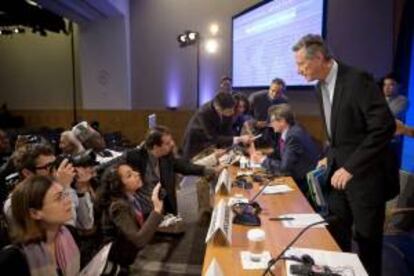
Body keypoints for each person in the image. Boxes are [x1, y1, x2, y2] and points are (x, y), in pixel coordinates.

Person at [292, 34, 398, 276]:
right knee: (336, 233)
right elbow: (340, 133)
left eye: (301, 64)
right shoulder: (319, 87)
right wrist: (329, 155)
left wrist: (351, 167)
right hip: (337, 173)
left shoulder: (357, 80)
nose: (298, 71)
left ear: (319, 57)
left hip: (365, 176)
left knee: (367, 243)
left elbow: (384, 127)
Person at [0, 175, 80, 275]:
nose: (68, 201)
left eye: (64, 194)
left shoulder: (70, 233)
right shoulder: (12, 259)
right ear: (34, 213)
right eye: (58, 197)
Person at [127, 126, 212, 215]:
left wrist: (208, 170)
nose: (172, 144)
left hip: (166, 210)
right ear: (156, 147)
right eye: (167, 143)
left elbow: (183, 167)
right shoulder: (134, 157)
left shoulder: (166, 155)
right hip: (145, 212)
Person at [96, 163, 163, 272]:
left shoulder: (131, 196)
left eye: (133, 171)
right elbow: (139, 240)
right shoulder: (118, 206)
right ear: (119, 184)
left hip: (129, 254)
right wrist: (156, 210)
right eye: (129, 175)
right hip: (119, 261)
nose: (137, 174)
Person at [250, 104, 319, 193]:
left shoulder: (293, 136)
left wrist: (263, 160)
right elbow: (280, 152)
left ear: (282, 121)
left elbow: (284, 169)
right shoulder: (290, 130)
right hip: (296, 178)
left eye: (272, 121)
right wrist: (264, 155)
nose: (270, 125)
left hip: (301, 185)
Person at [182, 93, 253, 160]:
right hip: (196, 145)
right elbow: (212, 137)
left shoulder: (228, 109)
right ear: (218, 108)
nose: (232, 112)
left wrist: (244, 150)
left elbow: (228, 134)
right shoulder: (204, 113)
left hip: (212, 146)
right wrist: (239, 139)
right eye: (229, 111)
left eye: (232, 109)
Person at [249, 78, 288, 147]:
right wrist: (255, 122)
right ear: (269, 88)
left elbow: (284, 119)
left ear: (283, 92)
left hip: (273, 134)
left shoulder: (284, 101)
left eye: (278, 92)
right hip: (253, 131)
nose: (274, 94)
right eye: (272, 91)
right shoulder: (256, 97)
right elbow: (244, 114)